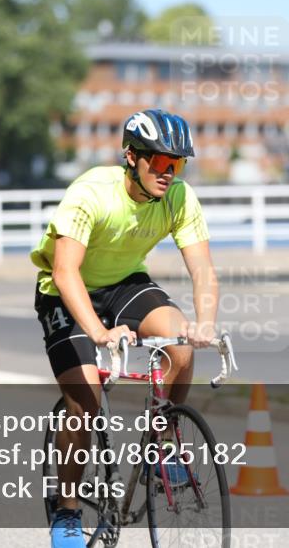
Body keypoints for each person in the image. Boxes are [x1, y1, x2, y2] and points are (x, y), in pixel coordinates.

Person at [31, 109, 219, 548]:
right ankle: (68, 509)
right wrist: (98, 333)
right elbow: (64, 271)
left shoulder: (179, 198)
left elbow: (204, 271)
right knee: (86, 399)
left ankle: (164, 446)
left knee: (180, 346)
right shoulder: (91, 193)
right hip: (66, 291)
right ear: (131, 157)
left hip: (124, 284)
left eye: (178, 164)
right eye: (159, 162)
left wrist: (205, 323)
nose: (169, 172)